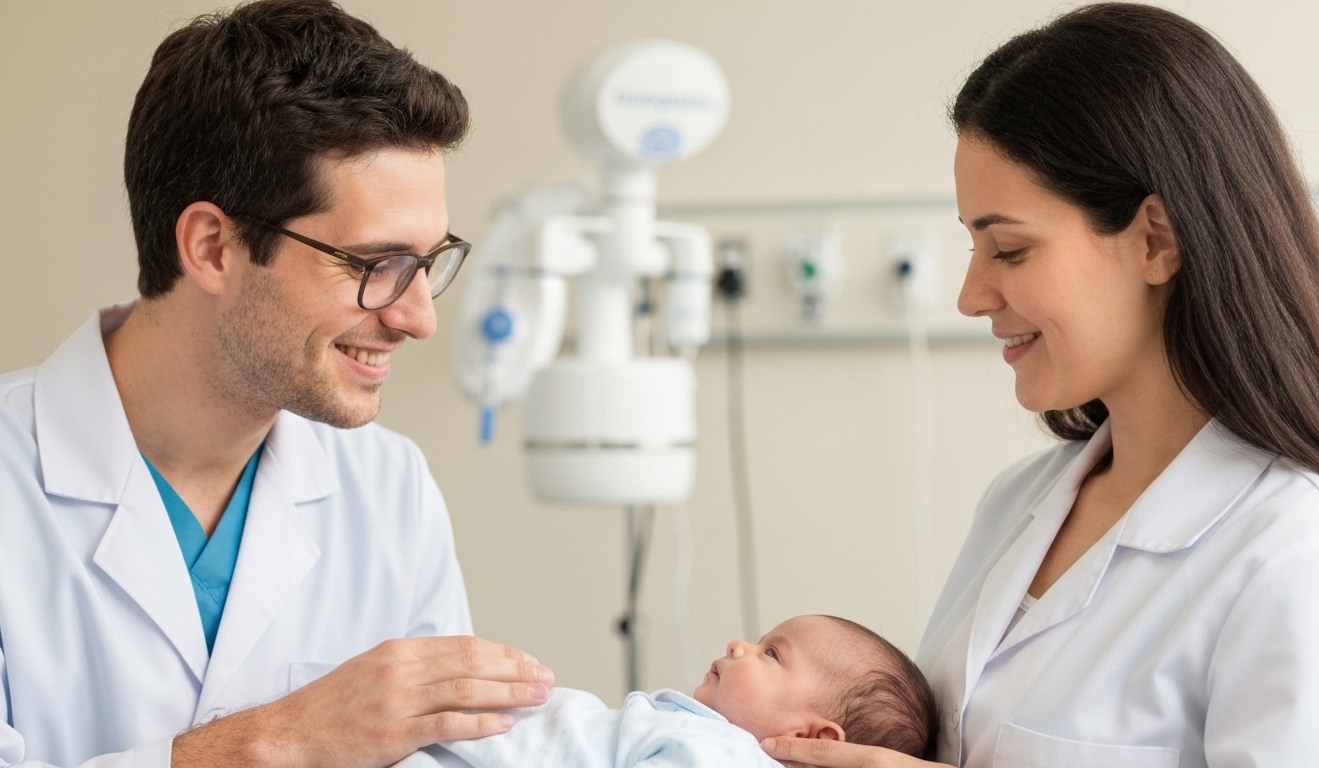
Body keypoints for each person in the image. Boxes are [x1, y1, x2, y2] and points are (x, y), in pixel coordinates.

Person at [762, 4, 1319, 768]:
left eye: (1008, 250)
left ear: (1156, 241)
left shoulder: (1305, 555)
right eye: (973, 246)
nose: (971, 295)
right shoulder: (1015, 506)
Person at [0, 1, 553, 766]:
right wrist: (281, 741)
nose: (420, 319)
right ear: (213, 247)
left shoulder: (388, 487)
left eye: (426, 264)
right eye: (373, 266)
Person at [395, 615, 938, 767]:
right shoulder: (706, 737)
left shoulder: (725, 757)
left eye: (772, 653)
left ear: (809, 735)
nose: (739, 645)